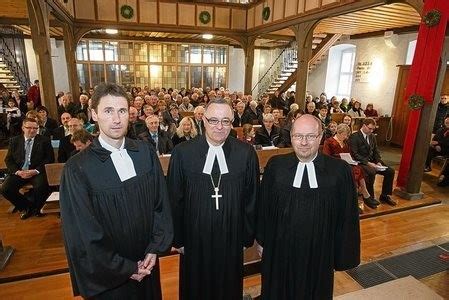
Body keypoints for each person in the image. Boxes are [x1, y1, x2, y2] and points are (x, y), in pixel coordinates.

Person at [59, 83, 173, 299]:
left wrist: (154, 248)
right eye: (108, 111)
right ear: (94, 114)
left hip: (148, 264)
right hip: (109, 276)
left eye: (122, 110)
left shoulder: (145, 153)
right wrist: (125, 268)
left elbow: (160, 204)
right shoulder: (77, 169)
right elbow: (83, 232)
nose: (117, 119)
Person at [257, 114, 360, 299]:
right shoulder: (276, 166)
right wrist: (262, 241)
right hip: (279, 252)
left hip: (319, 254)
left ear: (320, 137)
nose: (304, 142)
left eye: (310, 136)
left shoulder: (339, 171)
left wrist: (342, 254)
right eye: (298, 136)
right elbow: (264, 208)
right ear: (291, 137)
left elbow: (347, 217)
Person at [167, 98, 259, 300]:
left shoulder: (246, 154)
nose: (219, 127)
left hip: (231, 238)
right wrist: (178, 239)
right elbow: (174, 199)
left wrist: (246, 237)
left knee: (228, 288)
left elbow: (251, 199)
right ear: (203, 121)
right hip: (194, 239)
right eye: (214, 120)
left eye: (226, 121)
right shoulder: (182, 153)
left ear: (232, 122)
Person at [1, 117, 55, 219]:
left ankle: (38, 208)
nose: (32, 130)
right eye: (29, 127)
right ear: (23, 128)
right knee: (5, 189)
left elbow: (49, 159)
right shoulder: (14, 141)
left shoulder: (44, 141)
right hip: (20, 171)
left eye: (35, 128)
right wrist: (18, 172)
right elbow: (8, 159)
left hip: (36, 171)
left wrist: (35, 171)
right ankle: (26, 207)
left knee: (41, 186)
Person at [323, 123, 373, 212]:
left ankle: (364, 194)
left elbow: (349, 154)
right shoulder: (329, 141)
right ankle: (355, 200)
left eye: (346, 135)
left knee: (358, 169)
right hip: (334, 166)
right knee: (351, 173)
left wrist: (351, 160)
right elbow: (326, 157)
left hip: (345, 164)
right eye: (344, 134)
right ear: (338, 132)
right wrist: (339, 156)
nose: (346, 137)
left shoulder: (345, 142)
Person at [348, 118, 396, 208]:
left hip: (373, 161)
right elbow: (355, 154)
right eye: (370, 128)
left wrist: (378, 161)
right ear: (364, 126)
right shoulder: (355, 136)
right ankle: (369, 197)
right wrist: (368, 163)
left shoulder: (372, 136)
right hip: (361, 162)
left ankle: (385, 195)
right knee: (371, 172)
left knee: (390, 171)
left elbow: (376, 151)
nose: (371, 131)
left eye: (373, 129)